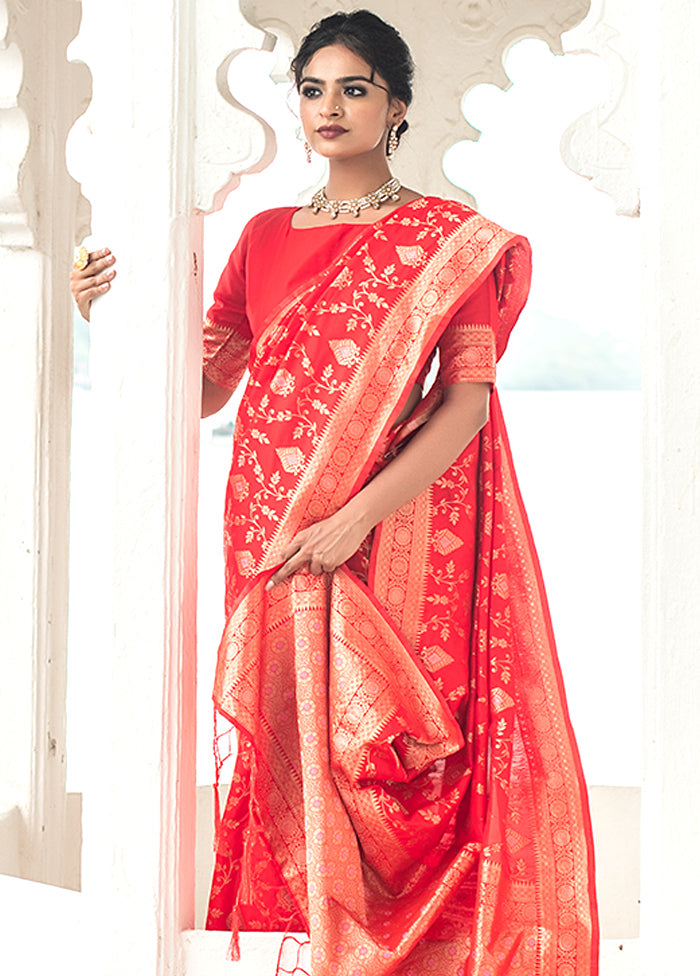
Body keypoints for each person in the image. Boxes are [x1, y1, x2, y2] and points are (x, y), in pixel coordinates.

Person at [71, 10, 598, 975]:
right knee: (293, 726)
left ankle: (417, 940)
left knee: (392, 744)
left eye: (355, 88)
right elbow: (201, 389)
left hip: (389, 533)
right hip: (271, 527)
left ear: (397, 106)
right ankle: (316, 933)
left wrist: (355, 516)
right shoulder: (264, 234)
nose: (330, 107)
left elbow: (467, 407)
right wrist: (111, 313)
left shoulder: (444, 243)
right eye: (313, 89)